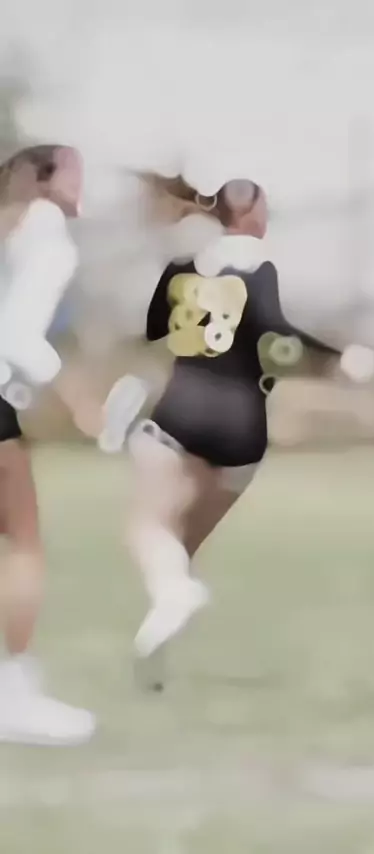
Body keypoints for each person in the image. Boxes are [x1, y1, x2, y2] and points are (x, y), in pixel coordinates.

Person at [99, 177, 350, 686]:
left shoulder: (184, 263)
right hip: (244, 428)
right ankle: (157, 655)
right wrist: (335, 358)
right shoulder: (261, 265)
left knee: (150, 529)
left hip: (183, 412)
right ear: (251, 215)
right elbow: (276, 331)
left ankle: (171, 602)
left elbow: (154, 329)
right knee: (180, 552)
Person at [0, 145, 95, 745]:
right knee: (23, 543)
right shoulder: (46, 231)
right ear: (42, 180)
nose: (83, 182)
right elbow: (16, 337)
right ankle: (14, 697)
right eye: (72, 170)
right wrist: (77, 398)